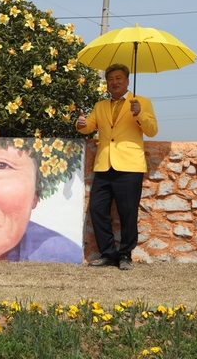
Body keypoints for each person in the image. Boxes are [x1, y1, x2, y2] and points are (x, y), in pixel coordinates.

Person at [76, 63, 158, 270]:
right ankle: (108, 254)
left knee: (128, 212)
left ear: (127, 81)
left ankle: (125, 256)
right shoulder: (100, 106)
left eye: (118, 78)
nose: (114, 82)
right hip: (104, 165)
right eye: (110, 79)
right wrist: (81, 124)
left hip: (130, 165)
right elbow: (89, 128)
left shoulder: (142, 103)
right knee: (97, 209)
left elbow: (152, 130)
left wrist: (139, 113)